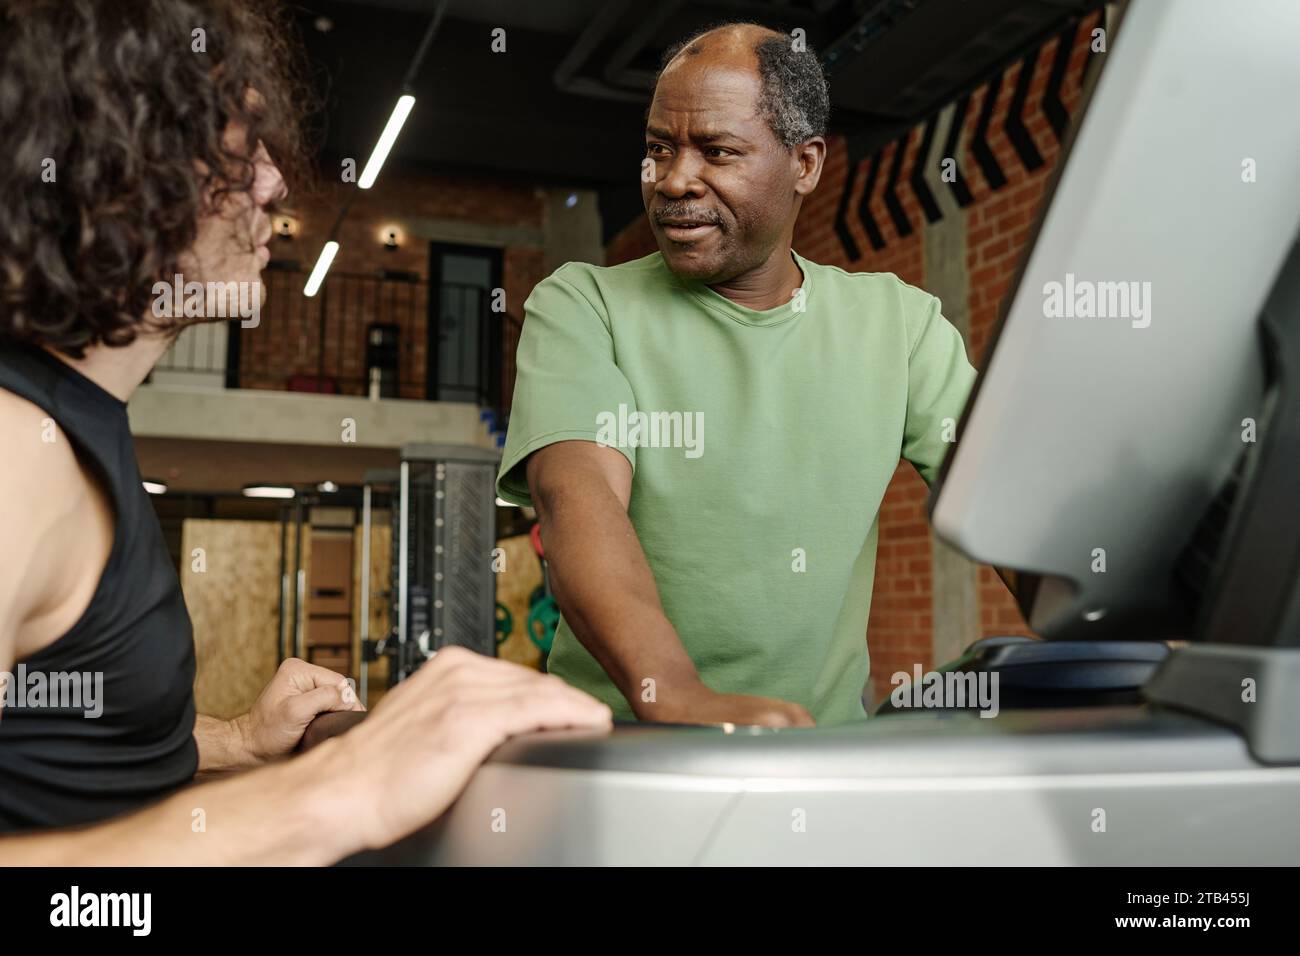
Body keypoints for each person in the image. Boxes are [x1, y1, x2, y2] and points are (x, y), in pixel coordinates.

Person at [0, 0, 610, 861]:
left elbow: (55, 746)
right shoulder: (12, 452)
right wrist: (333, 791)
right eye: (241, 149)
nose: (275, 183)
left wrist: (242, 740)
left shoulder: (74, 430)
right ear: (122, 169)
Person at [497, 23, 977, 728]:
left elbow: (1005, 501)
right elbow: (579, 495)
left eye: (717, 152)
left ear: (804, 165)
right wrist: (674, 693)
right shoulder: (584, 304)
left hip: (816, 758)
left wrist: (1115, 652)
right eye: (660, 149)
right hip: (616, 750)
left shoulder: (898, 324)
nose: (673, 180)